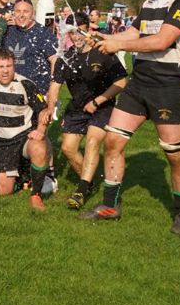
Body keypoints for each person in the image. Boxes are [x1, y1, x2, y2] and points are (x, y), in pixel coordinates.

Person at [81, 0, 180, 234]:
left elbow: (162, 41)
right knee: (112, 142)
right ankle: (110, 207)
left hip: (167, 88)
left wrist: (117, 46)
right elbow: (133, 32)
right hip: (138, 84)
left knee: (174, 155)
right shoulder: (150, 2)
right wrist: (104, 39)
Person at [44, 12, 127, 210]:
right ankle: (90, 182)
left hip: (102, 107)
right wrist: (49, 107)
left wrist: (97, 102)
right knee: (68, 148)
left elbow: (122, 81)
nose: (76, 37)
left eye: (79, 32)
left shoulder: (103, 52)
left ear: (87, 29)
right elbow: (55, 85)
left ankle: (81, 190)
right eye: (72, 34)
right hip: (77, 107)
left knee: (91, 142)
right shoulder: (66, 57)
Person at [0, 48, 51, 211]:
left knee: (38, 146)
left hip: (23, 136)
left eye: (9, 66)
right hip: (2, 142)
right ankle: (23, 174)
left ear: (14, 66)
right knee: (3, 192)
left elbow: (44, 110)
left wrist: (40, 130)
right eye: (1, 67)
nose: (5, 71)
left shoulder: (25, 85)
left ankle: (36, 194)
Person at [2, 0, 58, 97]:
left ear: (32, 14)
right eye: (18, 11)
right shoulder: (8, 31)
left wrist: (52, 89)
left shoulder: (43, 33)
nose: (21, 15)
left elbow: (54, 60)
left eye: (25, 11)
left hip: (39, 92)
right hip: (12, 92)